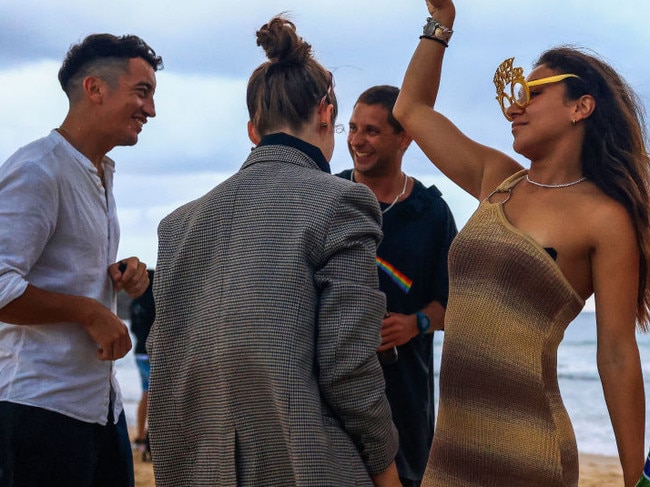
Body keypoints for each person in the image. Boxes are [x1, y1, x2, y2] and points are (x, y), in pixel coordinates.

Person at [393, 1, 649, 486]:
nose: (514, 105)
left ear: (581, 106)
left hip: (531, 453)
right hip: (447, 453)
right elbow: (410, 110)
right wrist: (441, 23)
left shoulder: (605, 218)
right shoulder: (498, 180)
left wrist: (636, 478)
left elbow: (616, 353)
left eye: (530, 92)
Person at [147, 15, 400, 487]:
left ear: (252, 130)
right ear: (326, 114)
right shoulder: (342, 201)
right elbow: (349, 365)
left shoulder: (177, 225)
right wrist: (386, 469)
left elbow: (169, 366)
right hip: (307, 466)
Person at [0, 33, 162, 487]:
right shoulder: (38, 169)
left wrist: (120, 277)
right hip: (38, 409)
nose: (150, 110)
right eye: (142, 92)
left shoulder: (98, 172)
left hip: (99, 408)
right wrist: (88, 311)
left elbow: (59, 272)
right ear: (95, 89)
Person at [336, 85, 457, 487]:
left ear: (404, 137)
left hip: (405, 400)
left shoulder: (432, 213)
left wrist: (414, 324)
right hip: (331, 392)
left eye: (371, 131)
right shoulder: (329, 197)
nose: (356, 140)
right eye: (352, 128)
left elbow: (454, 304)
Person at [129, 268, 155, 459]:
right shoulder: (153, 301)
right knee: (155, 396)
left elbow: (134, 329)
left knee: (145, 394)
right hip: (151, 353)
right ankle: (150, 438)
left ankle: (139, 434)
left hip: (138, 352)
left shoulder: (135, 303)